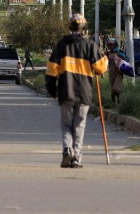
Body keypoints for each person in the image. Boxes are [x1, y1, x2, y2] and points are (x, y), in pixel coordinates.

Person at [45, 13, 107, 169]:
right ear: (83, 28)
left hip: (65, 91)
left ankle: (67, 150)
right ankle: (76, 159)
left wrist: (52, 90)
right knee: (79, 126)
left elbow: (51, 70)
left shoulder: (62, 45)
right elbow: (100, 67)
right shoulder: (90, 45)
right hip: (84, 93)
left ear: (70, 27)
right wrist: (104, 60)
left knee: (66, 125)